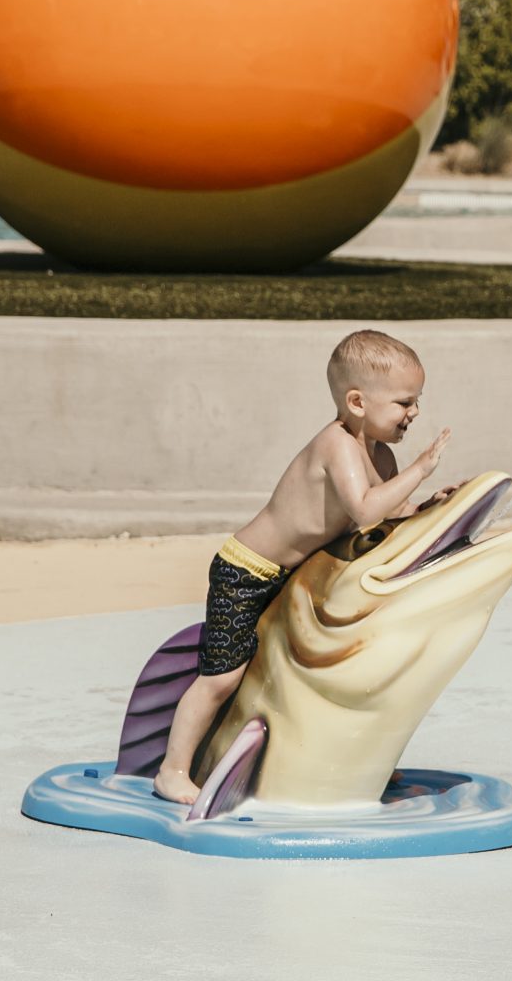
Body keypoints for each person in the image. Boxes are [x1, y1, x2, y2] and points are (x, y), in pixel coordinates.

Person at [154, 330, 456, 804]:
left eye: (417, 401)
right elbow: (365, 510)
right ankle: (171, 770)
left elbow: (390, 513)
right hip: (246, 571)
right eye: (403, 402)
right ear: (357, 401)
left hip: (291, 575)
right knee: (222, 678)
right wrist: (420, 469)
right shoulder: (337, 446)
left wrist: (428, 509)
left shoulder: (381, 455)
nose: (413, 413)